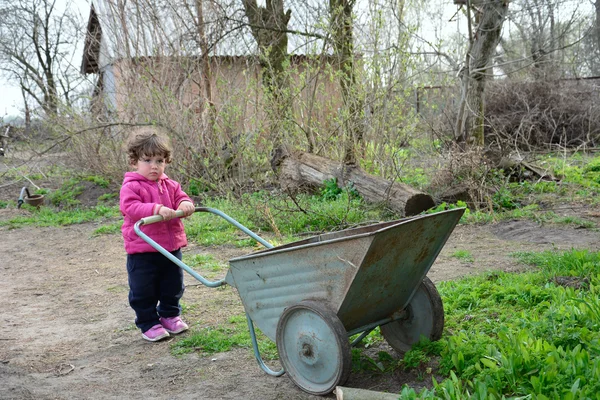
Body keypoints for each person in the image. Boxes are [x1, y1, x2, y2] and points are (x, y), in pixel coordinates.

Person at [119, 127, 196, 342]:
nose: (154, 166)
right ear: (135, 162)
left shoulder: (170, 185)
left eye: (160, 161)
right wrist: (156, 209)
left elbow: (182, 196)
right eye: (148, 160)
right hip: (143, 249)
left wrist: (185, 203)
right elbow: (131, 208)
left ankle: (170, 315)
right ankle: (148, 322)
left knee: (173, 285)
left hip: (170, 247)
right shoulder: (131, 186)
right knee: (143, 289)